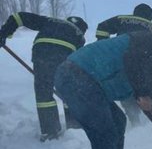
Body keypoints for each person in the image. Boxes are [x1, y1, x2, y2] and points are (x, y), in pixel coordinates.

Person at [0, 12, 87, 140]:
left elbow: (19, 17)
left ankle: (50, 132)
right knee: (69, 91)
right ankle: (74, 128)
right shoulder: (80, 36)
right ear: (82, 29)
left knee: (44, 94)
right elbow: (78, 60)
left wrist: (4, 33)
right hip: (64, 57)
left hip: (41, 55)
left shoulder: (51, 21)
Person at [95, 3, 152, 126]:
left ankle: (135, 121)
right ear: (150, 17)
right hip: (142, 65)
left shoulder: (123, 19)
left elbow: (102, 27)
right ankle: (151, 120)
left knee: (126, 88)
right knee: (148, 89)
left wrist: (104, 45)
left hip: (122, 61)